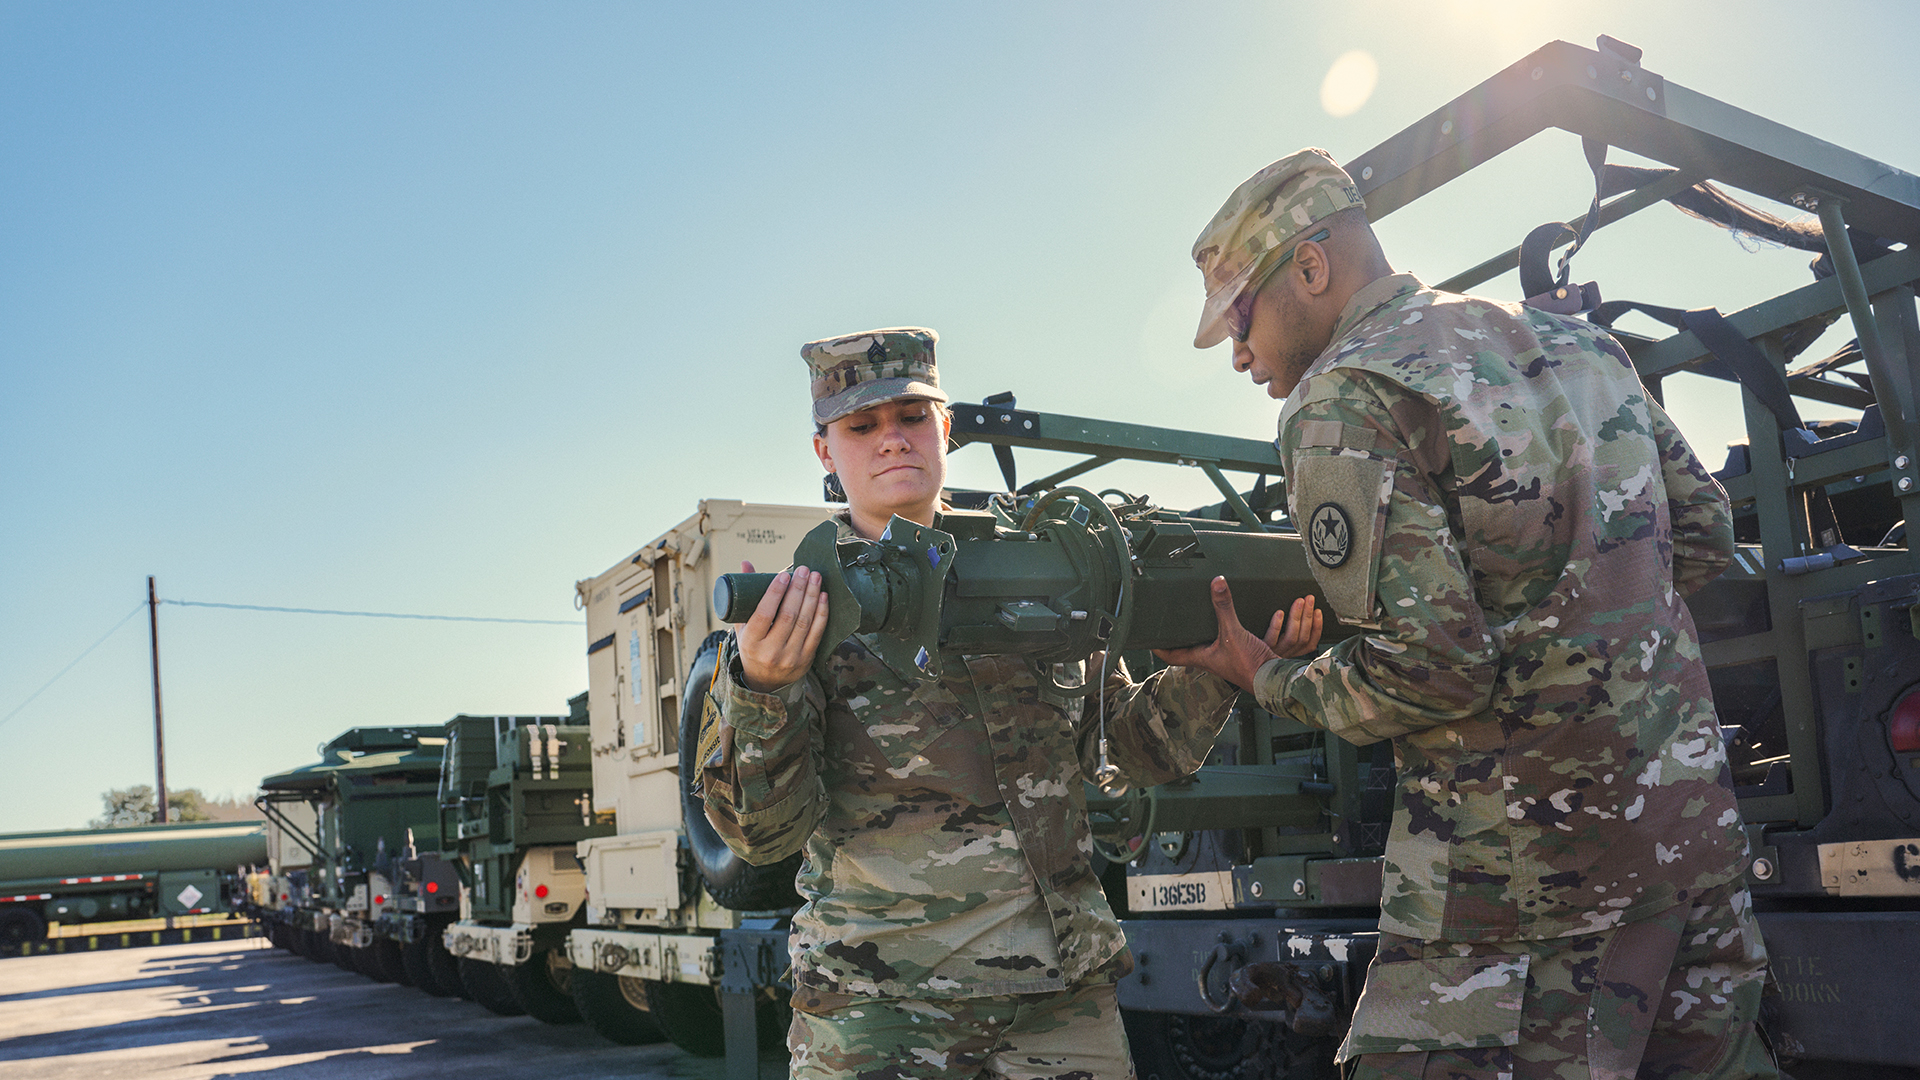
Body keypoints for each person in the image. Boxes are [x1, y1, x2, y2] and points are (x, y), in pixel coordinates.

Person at [1164, 150, 1779, 1079]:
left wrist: (1270, 676)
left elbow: (1434, 670)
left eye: (1240, 318)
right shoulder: (1581, 347)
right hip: (1687, 835)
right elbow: (1702, 538)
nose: (1240, 352)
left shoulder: (1345, 395)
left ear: (1311, 267)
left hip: (1529, 879)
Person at [697, 326, 1323, 1079]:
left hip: (1058, 1004)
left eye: (911, 417)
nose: (891, 440)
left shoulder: (1044, 567)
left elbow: (1126, 752)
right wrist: (763, 689)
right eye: (862, 426)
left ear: (946, 429)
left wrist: (1221, 673)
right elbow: (762, 836)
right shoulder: (804, 613)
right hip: (882, 1010)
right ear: (826, 452)